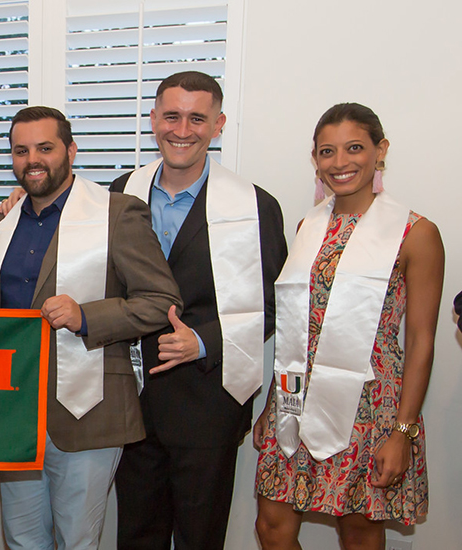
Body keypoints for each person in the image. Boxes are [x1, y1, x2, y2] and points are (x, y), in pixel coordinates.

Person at [106, 71, 288, 550]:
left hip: (208, 400)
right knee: (136, 534)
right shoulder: (120, 192)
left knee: (199, 538)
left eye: (197, 118)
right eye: (171, 116)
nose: (181, 129)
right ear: (153, 119)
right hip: (132, 399)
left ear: (218, 124)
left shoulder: (254, 205)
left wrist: (205, 339)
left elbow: (272, 302)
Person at [254, 103, 444, 550]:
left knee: (358, 532)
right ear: (315, 160)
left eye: (354, 148)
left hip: (369, 405)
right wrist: (271, 404)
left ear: (381, 150)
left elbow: (421, 340)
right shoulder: (308, 226)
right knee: (272, 527)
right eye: (327, 152)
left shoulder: (416, 233)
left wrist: (403, 431)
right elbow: (296, 327)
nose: (340, 163)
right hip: (295, 399)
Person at [0, 106, 180, 550]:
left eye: (45, 148)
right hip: (15, 410)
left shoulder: (116, 212)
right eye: (21, 151)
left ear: (70, 151)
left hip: (87, 408)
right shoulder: (4, 224)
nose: (32, 159)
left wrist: (87, 316)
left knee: (77, 542)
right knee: (21, 541)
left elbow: (162, 302)